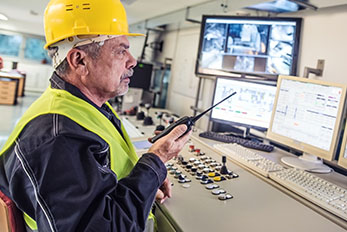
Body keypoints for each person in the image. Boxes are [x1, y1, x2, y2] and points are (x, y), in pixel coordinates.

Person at [0, 0, 191, 231]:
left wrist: (146, 182)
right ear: (79, 60)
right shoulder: (57, 136)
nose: (133, 61)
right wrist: (156, 161)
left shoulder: (86, 106)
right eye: (121, 50)